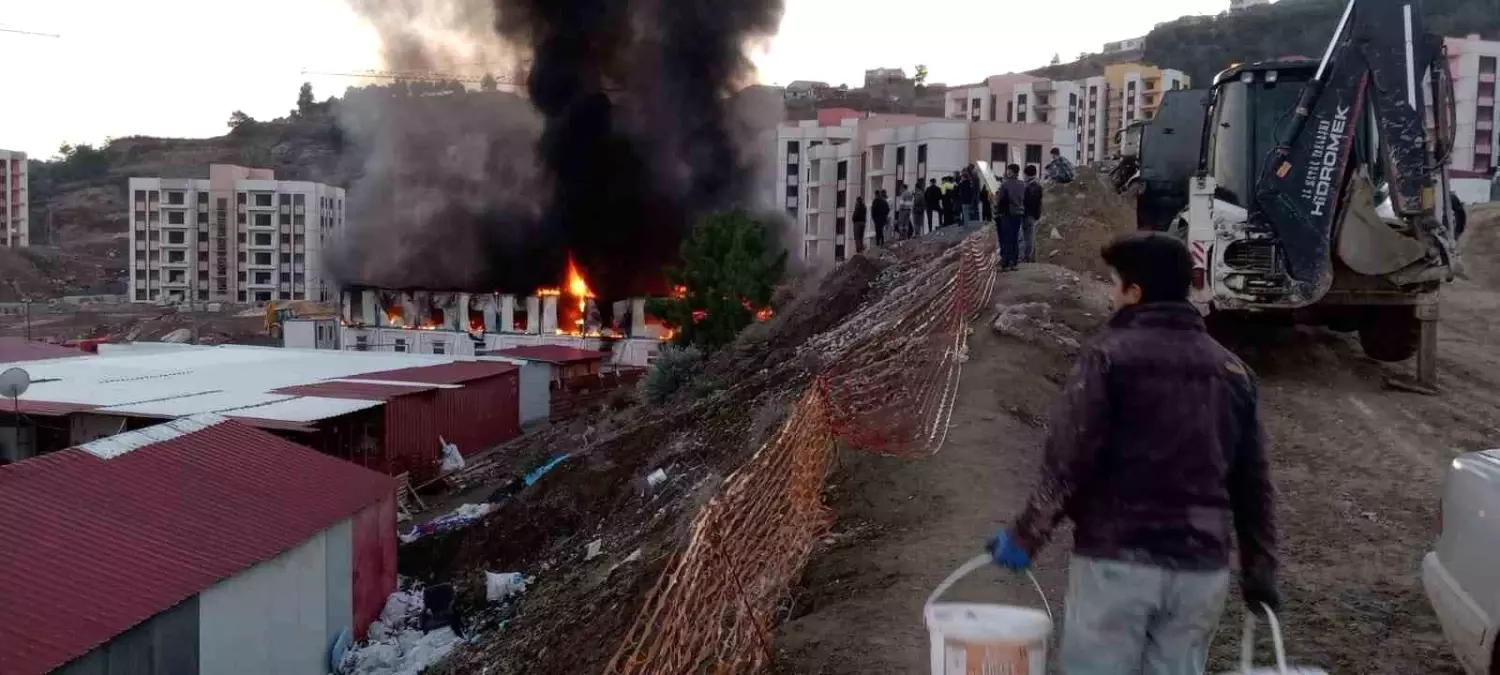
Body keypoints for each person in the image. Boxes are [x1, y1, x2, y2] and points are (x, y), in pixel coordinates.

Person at [987, 233, 1279, 675]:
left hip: (1118, 561)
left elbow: (1068, 461)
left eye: (1114, 284)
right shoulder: (1233, 372)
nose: (1112, 295)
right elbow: (1253, 483)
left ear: (1135, 292)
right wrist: (1259, 567)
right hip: (1200, 571)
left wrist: (1027, 535)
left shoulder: (1108, 358)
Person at [992, 164, 1027, 271]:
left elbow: (999, 200)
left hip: (1006, 214)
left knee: (1006, 238)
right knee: (1014, 237)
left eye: (1008, 171)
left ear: (1010, 172)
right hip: (1018, 214)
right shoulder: (1022, 184)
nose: (1007, 172)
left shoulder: (1005, 185)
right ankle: (1014, 261)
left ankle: (1005, 262)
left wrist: (995, 206)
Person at [1022, 165, 1044, 263]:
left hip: (1028, 214)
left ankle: (1028, 257)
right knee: (1032, 236)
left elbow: (1027, 201)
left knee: (1028, 237)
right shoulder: (1038, 186)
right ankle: (1032, 257)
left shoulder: (1028, 187)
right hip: (1035, 214)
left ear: (1026, 175)